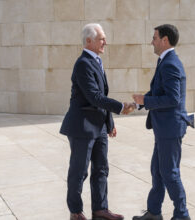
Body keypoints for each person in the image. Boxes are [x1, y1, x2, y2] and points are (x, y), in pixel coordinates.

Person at [60, 23, 134, 220]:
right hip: (82, 127)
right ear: (89, 41)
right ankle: (75, 212)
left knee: (101, 169)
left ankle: (100, 209)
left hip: (99, 126)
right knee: (79, 171)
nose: (105, 42)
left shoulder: (97, 61)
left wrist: (109, 123)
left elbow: (101, 95)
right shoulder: (83, 63)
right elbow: (94, 97)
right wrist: (119, 106)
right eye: (102, 38)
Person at [132, 24, 194, 220]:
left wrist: (146, 101)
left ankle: (182, 215)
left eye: (155, 38)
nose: (152, 41)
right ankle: (154, 212)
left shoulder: (170, 64)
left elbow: (173, 98)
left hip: (170, 128)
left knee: (169, 173)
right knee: (158, 171)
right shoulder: (165, 61)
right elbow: (160, 92)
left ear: (164, 40)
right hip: (164, 128)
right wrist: (140, 103)